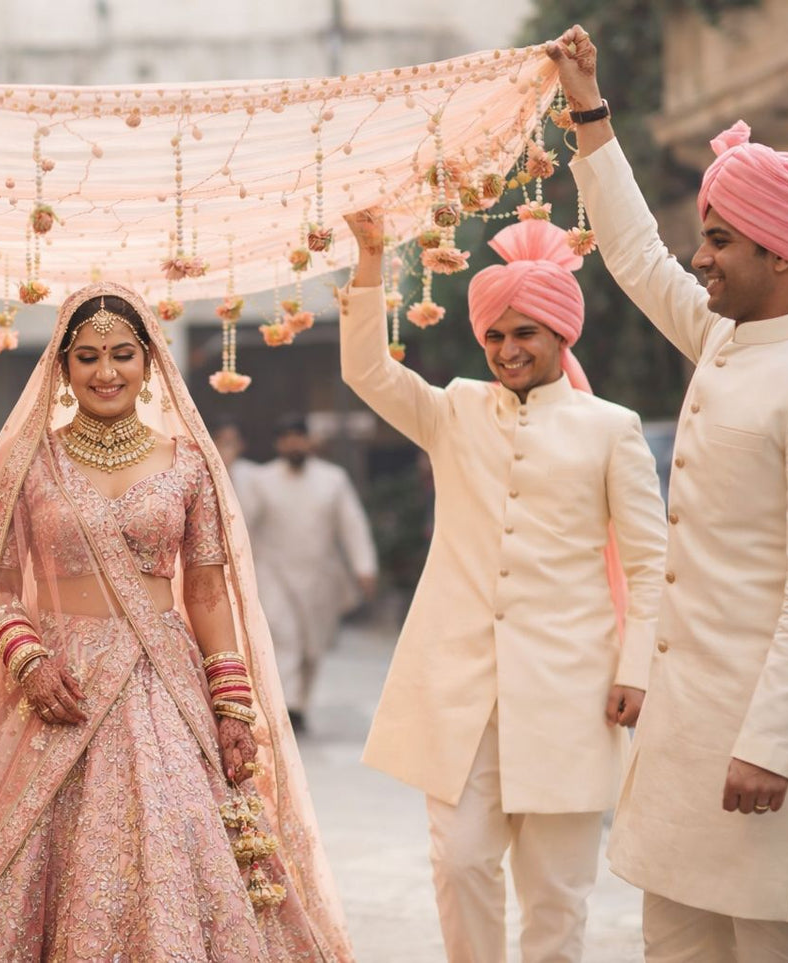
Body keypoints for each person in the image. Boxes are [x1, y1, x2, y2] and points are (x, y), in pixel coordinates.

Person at [0, 282, 355, 962]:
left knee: (172, 835)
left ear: (149, 362)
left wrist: (230, 703)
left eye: (121, 355)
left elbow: (204, 592)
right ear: (62, 366)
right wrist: (26, 658)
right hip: (57, 685)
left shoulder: (189, 464)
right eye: (86, 357)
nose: (105, 372)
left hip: (159, 682)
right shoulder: (27, 462)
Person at [339, 210, 667, 962]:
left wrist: (637, 666)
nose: (507, 349)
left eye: (525, 333)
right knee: (458, 865)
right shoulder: (452, 408)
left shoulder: (609, 428)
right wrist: (366, 262)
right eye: (494, 334)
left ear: (560, 335)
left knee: (556, 891)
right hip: (461, 690)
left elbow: (651, 563)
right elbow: (366, 370)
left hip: (571, 691)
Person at [553, 24, 788, 958]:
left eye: (717, 240)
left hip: (770, 753)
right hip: (685, 746)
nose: (698, 259)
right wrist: (589, 113)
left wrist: (770, 746)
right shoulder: (726, 340)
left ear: (781, 254)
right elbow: (632, 257)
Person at [244, 414, 377, 734]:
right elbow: (243, 525)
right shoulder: (261, 480)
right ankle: (284, 707)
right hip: (273, 573)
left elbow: (352, 525)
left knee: (311, 645)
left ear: (309, 441)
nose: (294, 443)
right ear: (279, 444)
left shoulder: (333, 480)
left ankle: (299, 704)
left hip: (320, 576)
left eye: (298, 437)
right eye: (287, 437)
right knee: (285, 639)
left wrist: (365, 567)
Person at [210, 415, 262, 503]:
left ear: (241, 445)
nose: (224, 449)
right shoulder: (198, 472)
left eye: (229, 443)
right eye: (220, 442)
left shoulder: (256, 476)